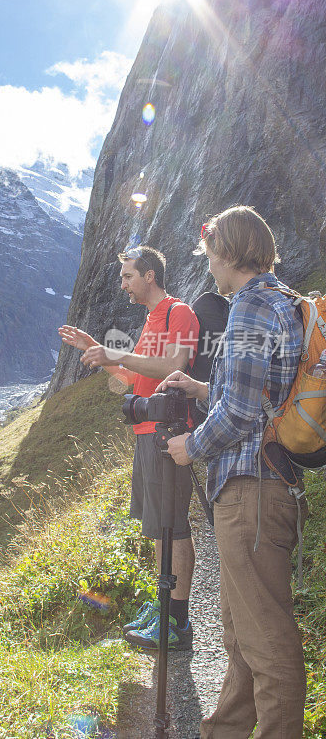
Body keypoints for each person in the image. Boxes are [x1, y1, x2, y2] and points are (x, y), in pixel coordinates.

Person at [161, 206, 306, 738]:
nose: (208, 267)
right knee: (242, 630)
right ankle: (223, 730)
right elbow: (257, 396)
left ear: (227, 252)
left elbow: (242, 413)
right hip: (268, 486)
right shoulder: (281, 301)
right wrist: (200, 390)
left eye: (210, 255)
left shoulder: (248, 307)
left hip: (250, 491)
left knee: (265, 639)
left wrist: (191, 445)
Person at [59, 245, 200, 650]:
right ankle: (164, 606)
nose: (123, 285)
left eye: (128, 276)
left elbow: (175, 364)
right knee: (158, 526)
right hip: (145, 431)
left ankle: (178, 622)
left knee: (173, 526)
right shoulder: (151, 319)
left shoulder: (179, 312)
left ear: (150, 275)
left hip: (169, 431)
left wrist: (115, 352)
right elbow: (130, 378)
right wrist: (97, 351)